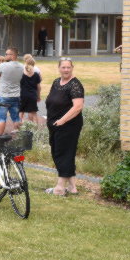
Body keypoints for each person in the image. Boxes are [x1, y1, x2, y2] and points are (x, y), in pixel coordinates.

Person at [44, 58, 85, 196]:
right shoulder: (56, 82)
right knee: (62, 153)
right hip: (55, 124)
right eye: (63, 67)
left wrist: (62, 120)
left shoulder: (75, 85)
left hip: (69, 126)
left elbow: (78, 107)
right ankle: (73, 188)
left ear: (72, 68)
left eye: (68, 67)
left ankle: (60, 188)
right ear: (59, 68)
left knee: (63, 154)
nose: (66, 70)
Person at [0, 47, 24, 133]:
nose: (5, 56)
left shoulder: (3, 65)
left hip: (3, 96)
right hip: (16, 96)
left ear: (12, 55)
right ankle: (19, 136)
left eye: (6, 54)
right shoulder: (22, 66)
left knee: (1, 118)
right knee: (16, 118)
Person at [19, 55, 42, 125]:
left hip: (23, 94)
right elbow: (39, 87)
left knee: (21, 111)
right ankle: (34, 128)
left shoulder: (21, 74)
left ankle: (18, 128)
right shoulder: (36, 74)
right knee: (33, 113)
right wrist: (38, 96)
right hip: (33, 95)